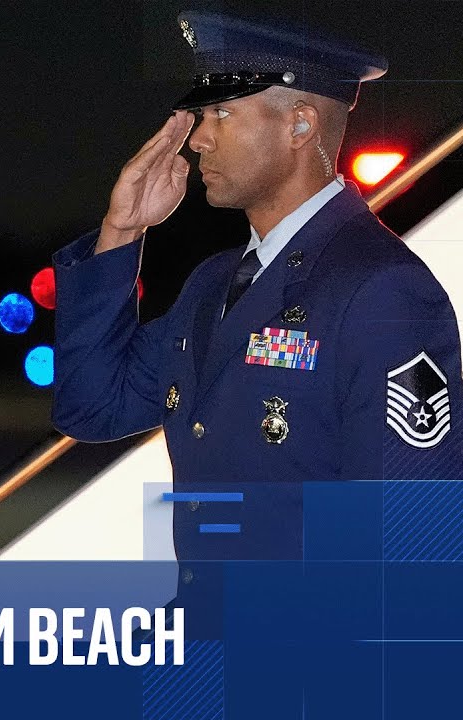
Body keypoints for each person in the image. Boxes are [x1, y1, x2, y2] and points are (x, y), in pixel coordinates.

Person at [52, 11, 463, 567]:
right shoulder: (214, 284)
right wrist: (121, 231)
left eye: (222, 113)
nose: (198, 139)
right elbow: (92, 407)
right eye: (202, 115)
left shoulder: (381, 290)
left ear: (300, 126)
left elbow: (405, 539)